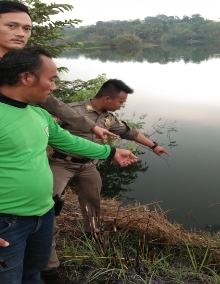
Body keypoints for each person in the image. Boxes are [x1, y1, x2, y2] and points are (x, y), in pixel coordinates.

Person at [0, 46, 138, 284]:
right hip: (0, 222)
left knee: (33, 274)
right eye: (51, 80)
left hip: (42, 215)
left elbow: (70, 141)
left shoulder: (38, 114)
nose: (54, 87)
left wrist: (111, 151)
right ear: (26, 77)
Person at [42, 79, 170, 281]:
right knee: (47, 207)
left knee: (93, 201)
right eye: (120, 102)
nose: (121, 106)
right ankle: (47, 261)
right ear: (107, 98)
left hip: (88, 166)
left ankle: (93, 234)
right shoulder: (72, 110)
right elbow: (46, 130)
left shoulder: (109, 119)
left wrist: (154, 145)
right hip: (60, 164)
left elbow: (130, 133)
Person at [0, 0, 113, 140]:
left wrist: (90, 126)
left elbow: (51, 102)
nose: (20, 34)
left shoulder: (22, 65)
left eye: (26, 28)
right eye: (11, 26)